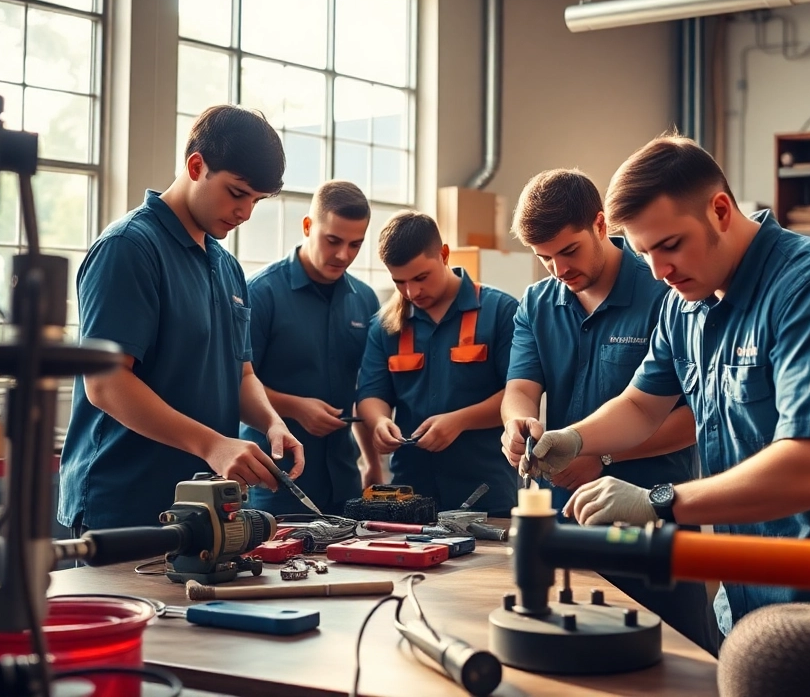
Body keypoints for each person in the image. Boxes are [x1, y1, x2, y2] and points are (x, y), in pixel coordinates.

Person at [509, 135, 810, 696]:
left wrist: (660, 501)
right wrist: (573, 438)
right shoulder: (685, 305)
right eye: (644, 251)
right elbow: (641, 404)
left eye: (670, 245)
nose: (658, 270)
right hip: (754, 608)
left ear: (721, 210)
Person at [500, 168, 718, 654]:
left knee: (680, 657)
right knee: (573, 652)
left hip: (652, 511)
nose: (558, 269)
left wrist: (601, 459)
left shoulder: (667, 289)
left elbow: (691, 417)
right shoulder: (538, 303)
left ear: (600, 225)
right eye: (544, 258)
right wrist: (518, 423)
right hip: (563, 514)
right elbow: (519, 388)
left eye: (569, 251)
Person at [58, 105, 303, 531]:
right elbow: (105, 383)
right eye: (237, 192)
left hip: (201, 507)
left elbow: (242, 374)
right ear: (196, 166)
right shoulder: (128, 249)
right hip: (123, 505)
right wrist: (213, 445)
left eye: (256, 201)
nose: (245, 212)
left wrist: (272, 422)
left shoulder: (227, 267)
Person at [356, 211, 519, 516]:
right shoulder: (386, 325)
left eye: (421, 277)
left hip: (486, 490)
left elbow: (520, 395)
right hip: (411, 493)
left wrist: (460, 421)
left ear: (444, 254)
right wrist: (378, 422)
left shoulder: (501, 312)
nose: (411, 292)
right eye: (399, 281)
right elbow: (371, 394)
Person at [240, 180, 382, 516]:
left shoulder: (365, 299)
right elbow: (233, 384)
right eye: (332, 240)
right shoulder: (258, 294)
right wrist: (296, 408)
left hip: (345, 482)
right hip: (275, 482)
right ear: (307, 226)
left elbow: (364, 390)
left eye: (355, 244)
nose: (343, 255)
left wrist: (372, 463)